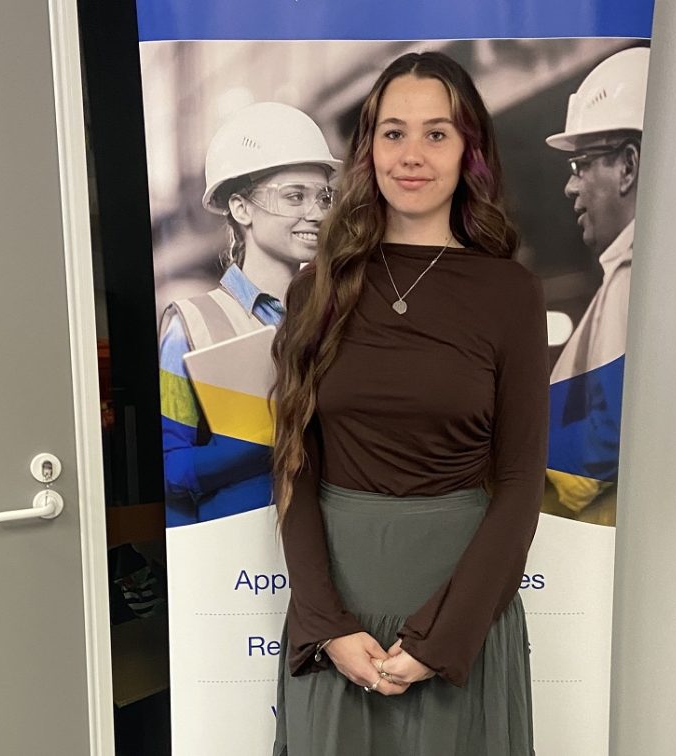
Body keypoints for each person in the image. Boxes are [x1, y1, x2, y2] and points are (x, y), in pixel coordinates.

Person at [268, 52, 550, 755]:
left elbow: (518, 486)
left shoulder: (509, 295)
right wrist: (328, 627)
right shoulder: (317, 292)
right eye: (393, 133)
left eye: (437, 133)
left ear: (469, 150)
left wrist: (439, 640)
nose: (412, 155)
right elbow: (295, 469)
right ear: (368, 150)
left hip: (459, 609)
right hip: (338, 608)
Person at [158, 102, 340, 525]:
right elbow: (170, 470)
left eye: (323, 197)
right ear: (241, 209)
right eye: (295, 196)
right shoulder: (189, 326)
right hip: (240, 562)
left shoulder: (338, 317)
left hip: (333, 553)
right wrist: (270, 439)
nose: (316, 213)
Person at [542, 46, 650, 526]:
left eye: (581, 164)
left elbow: (601, 444)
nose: (571, 186)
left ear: (628, 166)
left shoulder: (637, 278)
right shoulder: (640, 273)